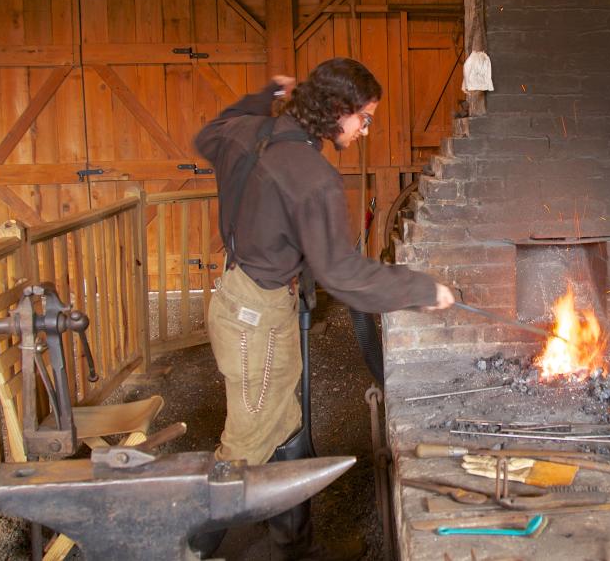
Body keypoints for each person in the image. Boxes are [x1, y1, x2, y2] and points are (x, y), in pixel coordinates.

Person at [193, 57, 455, 557]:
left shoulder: (248, 130)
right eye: (365, 118)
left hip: (239, 297)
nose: (366, 129)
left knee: (285, 428)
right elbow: (341, 273)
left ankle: (294, 550)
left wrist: (265, 94)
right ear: (337, 110)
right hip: (257, 322)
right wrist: (421, 290)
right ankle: (190, 549)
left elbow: (208, 135)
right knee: (244, 449)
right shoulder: (312, 177)